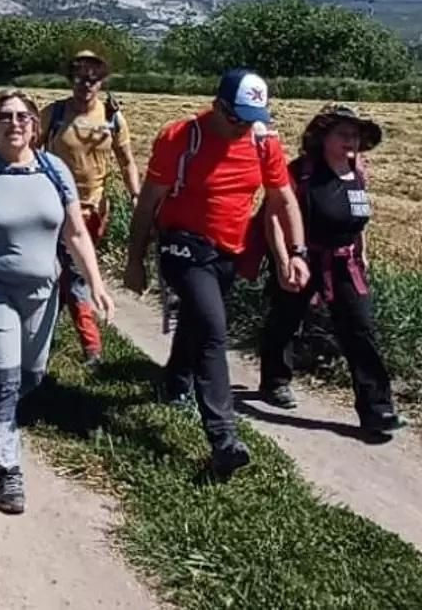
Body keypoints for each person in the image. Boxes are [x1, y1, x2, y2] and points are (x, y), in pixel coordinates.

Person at [0, 89, 112, 515]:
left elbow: (75, 233)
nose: (14, 123)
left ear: (34, 125)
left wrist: (96, 282)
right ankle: (7, 468)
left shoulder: (54, 171)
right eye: (4, 117)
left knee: (31, 377)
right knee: (8, 381)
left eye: (22, 117)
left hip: (42, 294)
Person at [123, 68, 309, 480]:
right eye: (236, 116)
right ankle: (224, 439)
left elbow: (283, 201)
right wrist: (135, 259)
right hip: (181, 242)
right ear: (218, 104)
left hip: (229, 248)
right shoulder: (180, 138)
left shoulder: (263, 142)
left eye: (251, 116)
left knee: (198, 320)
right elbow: (148, 203)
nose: (243, 124)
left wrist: (296, 253)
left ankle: (175, 380)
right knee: (212, 329)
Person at [257, 103, 404, 434]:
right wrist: (283, 261)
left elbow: (359, 216)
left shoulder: (358, 172)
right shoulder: (301, 172)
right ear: (323, 137)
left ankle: (377, 409)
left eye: (355, 135)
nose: (350, 141)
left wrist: (363, 251)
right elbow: (274, 218)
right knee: (285, 320)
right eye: (343, 134)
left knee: (361, 330)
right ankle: (275, 381)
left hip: (345, 262)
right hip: (303, 258)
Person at [39, 50, 142, 367]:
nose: (86, 85)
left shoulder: (112, 117)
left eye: (93, 79)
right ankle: (91, 348)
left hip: (95, 210)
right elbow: (28, 153)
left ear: (102, 82)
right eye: (80, 78)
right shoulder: (54, 114)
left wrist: (136, 195)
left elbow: (126, 162)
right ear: (71, 80)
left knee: (67, 274)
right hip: (53, 206)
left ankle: (43, 336)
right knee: (71, 274)